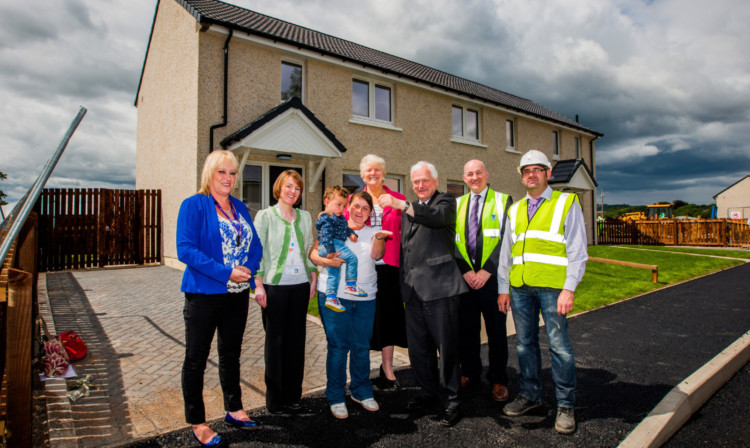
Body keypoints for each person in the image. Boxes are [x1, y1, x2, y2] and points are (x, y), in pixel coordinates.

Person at [497, 149, 588, 435]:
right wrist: (503, 288)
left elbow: (578, 250)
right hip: (521, 287)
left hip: (552, 287)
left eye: (537, 169)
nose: (531, 175)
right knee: (525, 344)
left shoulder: (566, 202)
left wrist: (568, 288)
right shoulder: (514, 209)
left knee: (559, 346)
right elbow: (506, 253)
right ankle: (530, 396)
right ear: (522, 177)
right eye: (526, 171)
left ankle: (565, 404)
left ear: (547, 174)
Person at [176, 150, 263, 447]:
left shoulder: (239, 206)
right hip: (204, 294)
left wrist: (247, 270)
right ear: (209, 175)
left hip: (237, 295)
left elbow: (256, 247)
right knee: (196, 359)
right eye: (221, 172)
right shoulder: (194, 205)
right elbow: (186, 250)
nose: (227, 178)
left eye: (232, 173)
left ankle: (234, 408)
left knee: (230, 355)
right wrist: (226, 273)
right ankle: (197, 422)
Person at [388, 161, 468, 427]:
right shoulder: (410, 210)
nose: (419, 186)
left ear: (435, 181)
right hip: (413, 292)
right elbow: (407, 250)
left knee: (446, 350)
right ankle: (428, 392)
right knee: (419, 350)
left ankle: (452, 402)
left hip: (440, 289)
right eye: (415, 182)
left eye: (424, 181)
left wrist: (402, 205)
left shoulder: (445, 202)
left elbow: (434, 218)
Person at [310, 191, 392, 419]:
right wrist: (327, 261)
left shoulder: (375, 233)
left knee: (361, 347)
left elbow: (377, 255)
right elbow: (313, 253)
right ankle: (336, 396)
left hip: (365, 299)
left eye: (365, 209)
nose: (359, 212)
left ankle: (361, 391)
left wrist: (380, 239)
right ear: (348, 207)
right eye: (356, 206)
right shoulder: (336, 225)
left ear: (370, 213)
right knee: (338, 347)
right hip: (335, 295)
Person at [252, 170, 318, 414]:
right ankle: (274, 399)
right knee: (276, 344)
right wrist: (258, 285)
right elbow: (256, 253)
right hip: (275, 287)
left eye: (297, 188)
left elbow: (310, 247)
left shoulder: (304, 217)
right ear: (279, 188)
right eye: (289, 186)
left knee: (296, 343)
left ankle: (293, 395)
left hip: (300, 286)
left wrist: (313, 278)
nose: (293, 191)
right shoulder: (265, 216)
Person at [454, 160, 512, 402]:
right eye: (470, 174)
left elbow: (506, 240)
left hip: (492, 279)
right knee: (467, 330)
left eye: (479, 172)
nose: (474, 177)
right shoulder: (457, 203)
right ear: (464, 178)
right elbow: (453, 240)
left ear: (487, 174)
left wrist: (487, 270)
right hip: (465, 280)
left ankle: (498, 379)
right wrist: (466, 270)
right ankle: (471, 373)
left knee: (497, 331)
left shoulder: (503, 200)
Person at [349, 154, 407, 389]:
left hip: (389, 267)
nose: (373, 174)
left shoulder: (397, 199)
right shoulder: (355, 199)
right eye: (368, 171)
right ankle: (360, 370)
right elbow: (348, 227)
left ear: (384, 173)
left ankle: (388, 368)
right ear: (363, 175)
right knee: (364, 318)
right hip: (363, 266)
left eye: (377, 170)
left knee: (389, 318)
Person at [316, 185, 367, 313]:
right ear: (327, 202)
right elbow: (326, 234)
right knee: (352, 258)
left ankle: (331, 297)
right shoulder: (327, 217)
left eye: (344, 206)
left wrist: (351, 233)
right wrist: (330, 249)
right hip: (331, 244)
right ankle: (351, 285)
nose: (342, 209)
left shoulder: (340, 218)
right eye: (338, 205)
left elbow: (345, 227)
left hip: (332, 245)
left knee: (334, 272)